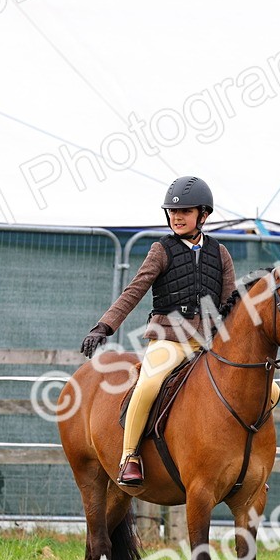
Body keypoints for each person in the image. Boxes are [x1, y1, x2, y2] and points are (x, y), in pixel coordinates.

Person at [80, 176, 236, 486]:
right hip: (169, 340)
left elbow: (229, 303)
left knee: (264, 390)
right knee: (149, 384)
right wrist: (105, 325)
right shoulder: (161, 250)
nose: (177, 217)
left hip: (208, 342)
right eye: (173, 212)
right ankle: (130, 456)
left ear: (203, 215)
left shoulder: (220, 254)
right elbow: (134, 290)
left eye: (186, 212)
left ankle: (242, 462)